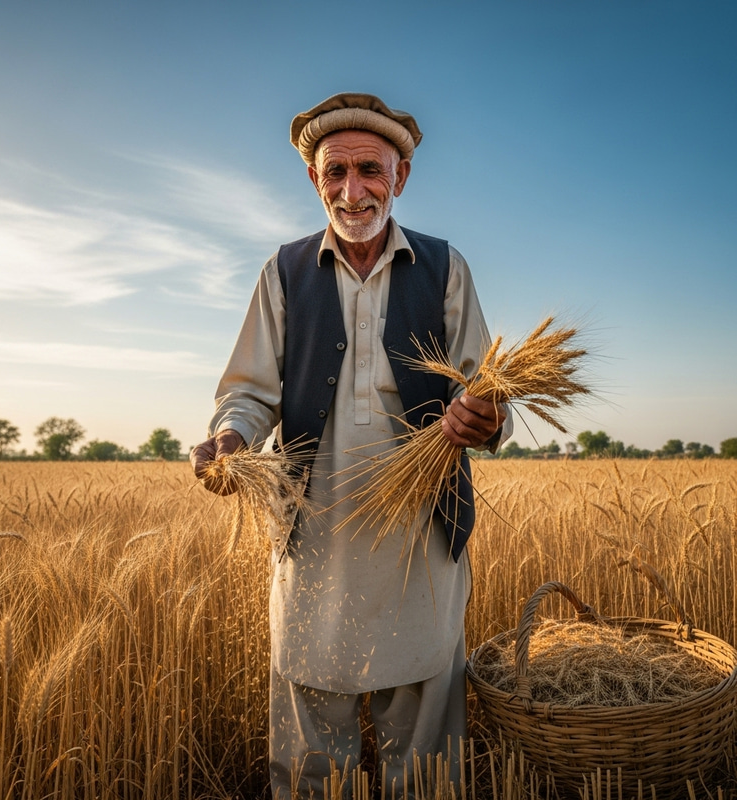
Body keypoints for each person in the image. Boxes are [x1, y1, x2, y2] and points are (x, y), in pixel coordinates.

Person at [190, 92, 512, 799]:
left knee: (424, 754)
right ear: (314, 181)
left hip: (419, 541)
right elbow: (247, 392)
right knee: (311, 753)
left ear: (400, 178)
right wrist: (229, 437)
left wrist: (478, 415)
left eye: (370, 170)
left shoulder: (445, 268)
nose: (351, 190)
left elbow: (489, 391)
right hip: (316, 536)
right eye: (334, 172)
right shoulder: (284, 271)